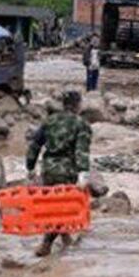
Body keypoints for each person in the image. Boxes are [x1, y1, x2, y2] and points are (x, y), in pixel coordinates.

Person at [26, 90, 92, 257]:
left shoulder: (49, 121)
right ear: (77, 105)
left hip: (48, 169)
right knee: (63, 209)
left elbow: (35, 145)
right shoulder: (81, 124)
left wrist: (30, 167)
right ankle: (46, 244)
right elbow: (81, 151)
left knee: (52, 206)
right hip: (67, 170)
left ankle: (65, 236)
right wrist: (83, 173)